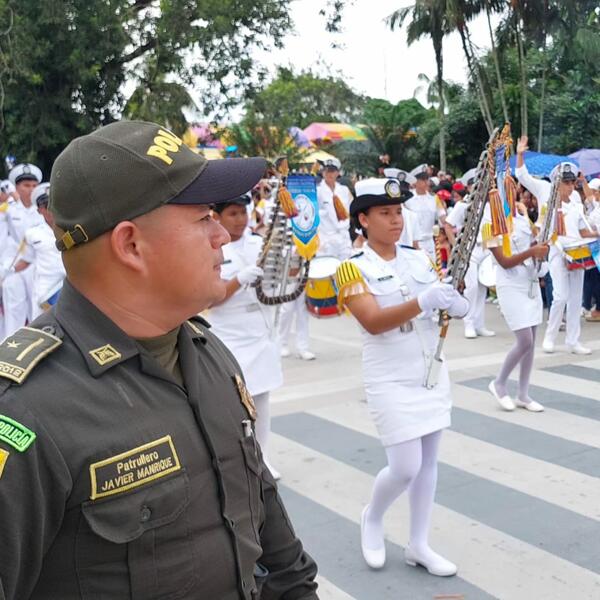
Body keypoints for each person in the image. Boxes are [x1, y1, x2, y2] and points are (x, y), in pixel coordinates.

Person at [0, 120, 318, 599]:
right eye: (203, 217)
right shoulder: (26, 410)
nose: (223, 236)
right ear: (130, 244)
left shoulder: (205, 351)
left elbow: (267, 522)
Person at [335, 178, 468, 577]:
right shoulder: (350, 268)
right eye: (385, 213)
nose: (395, 221)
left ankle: (419, 544)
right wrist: (423, 301)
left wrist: (455, 304)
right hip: (390, 377)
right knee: (405, 466)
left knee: (428, 464)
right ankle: (373, 517)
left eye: (398, 213)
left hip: (429, 369)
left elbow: (441, 307)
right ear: (363, 219)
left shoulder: (419, 258)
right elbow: (373, 322)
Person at [209, 194, 284, 480]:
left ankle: (263, 457)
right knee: (235, 401)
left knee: (262, 398)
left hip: (259, 326)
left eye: (243, 212)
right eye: (233, 213)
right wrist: (238, 280)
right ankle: (237, 459)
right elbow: (210, 298)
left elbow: (280, 276)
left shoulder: (258, 243)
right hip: (230, 330)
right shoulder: (213, 246)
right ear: (217, 217)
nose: (240, 219)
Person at [515, 136, 597, 354]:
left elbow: (581, 228)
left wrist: (595, 234)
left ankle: (573, 341)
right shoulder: (545, 191)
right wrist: (520, 154)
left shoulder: (577, 201)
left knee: (576, 298)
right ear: (557, 181)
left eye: (572, 183)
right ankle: (550, 337)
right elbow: (522, 176)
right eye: (567, 183)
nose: (570, 187)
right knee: (560, 295)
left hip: (577, 250)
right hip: (556, 250)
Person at [487, 202, 550, 412]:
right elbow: (504, 261)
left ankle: (523, 394)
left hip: (529, 281)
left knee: (531, 342)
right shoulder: (489, 225)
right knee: (524, 340)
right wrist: (532, 251)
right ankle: (499, 383)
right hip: (510, 285)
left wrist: (540, 247)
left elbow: (533, 244)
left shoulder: (523, 220)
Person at [444, 181, 496, 339]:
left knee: (482, 288)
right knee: (471, 287)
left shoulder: (490, 205)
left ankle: (479, 324)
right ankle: (469, 323)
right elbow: (448, 225)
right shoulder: (464, 205)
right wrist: (456, 247)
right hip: (469, 250)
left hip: (487, 248)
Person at [2, 163, 44, 338]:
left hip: (39, 267)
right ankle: (9, 351)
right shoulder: (9, 211)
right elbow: (3, 240)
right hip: (15, 267)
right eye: (26, 185)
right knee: (14, 312)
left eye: (34, 186)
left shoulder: (43, 210)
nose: (31, 189)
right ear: (17, 187)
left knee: (38, 313)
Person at [13, 183, 65, 320]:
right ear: (39, 210)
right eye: (46, 205)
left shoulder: (73, 229)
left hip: (69, 287)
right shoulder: (32, 234)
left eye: (54, 203)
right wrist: (8, 272)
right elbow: (25, 260)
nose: (51, 209)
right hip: (46, 291)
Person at [404, 164, 446, 259]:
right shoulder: (408, 200)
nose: (426, 182)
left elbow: (443, 218)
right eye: (423, 180)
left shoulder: (434, 198)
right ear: (415, 182)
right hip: (413, 242)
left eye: (427, 179)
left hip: (429, 242)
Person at [316, 158, 353, 260]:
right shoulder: (317, 191)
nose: (329, 174)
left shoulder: (344, 190)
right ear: (323, 172)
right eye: (327, 171)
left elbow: (352, 208)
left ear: (337, 173)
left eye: (332, 171)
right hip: (326, 237)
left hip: (343, 237)